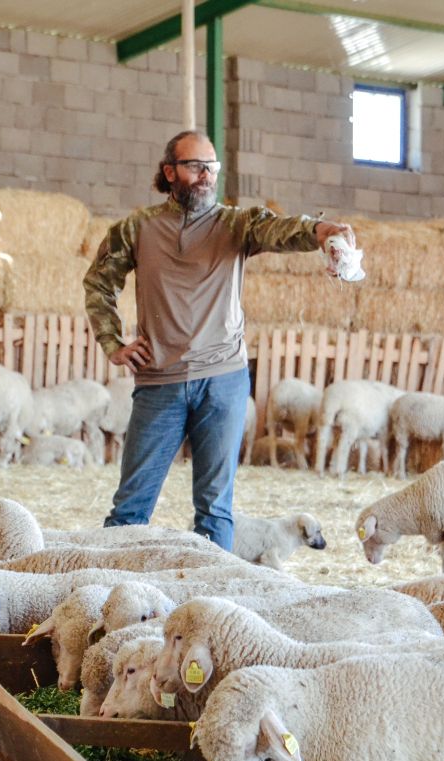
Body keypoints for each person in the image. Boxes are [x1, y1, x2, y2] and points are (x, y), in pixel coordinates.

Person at [84, 129, 354, 551]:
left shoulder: (235, 224)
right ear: (170, 172)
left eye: (212, 166)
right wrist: (112, 341)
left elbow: (282, 229)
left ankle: (209, 608)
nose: (206, 175)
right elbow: (99, 281)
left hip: (223, 381)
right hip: (159, 383)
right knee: (130, 508)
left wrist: (323, 231)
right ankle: (111, 594)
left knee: (214, 510)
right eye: (194, 166)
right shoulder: (136, 229)